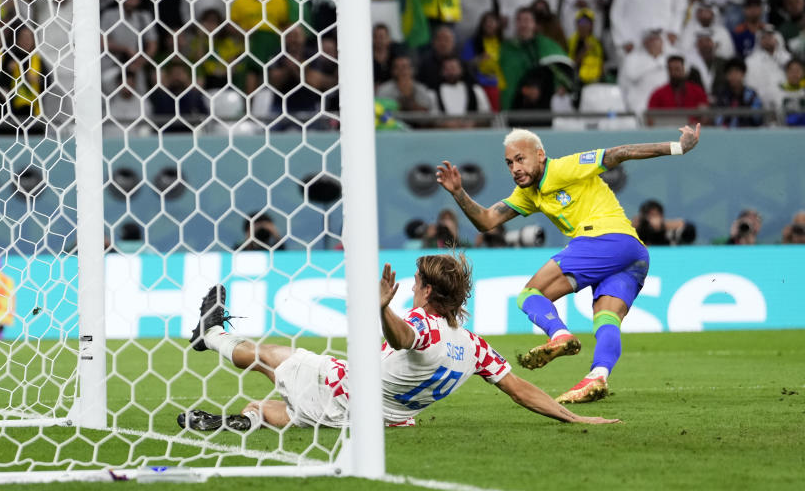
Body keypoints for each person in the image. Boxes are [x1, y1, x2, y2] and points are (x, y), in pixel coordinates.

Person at [179, 257, 620, 430]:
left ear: (427, 292)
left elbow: (406, 337)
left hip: (345, 388)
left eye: (416, 284)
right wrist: (573, 418)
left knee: (272, 357)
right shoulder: (474, 347)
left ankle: (211, 333)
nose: (412, 288)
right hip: (381, 421)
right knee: (286, 409)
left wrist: (381, 309)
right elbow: (519, 388)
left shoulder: (418, 324)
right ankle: (246, 421)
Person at [435, 124, 701, 402]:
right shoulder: (528, 194)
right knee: (606, 319)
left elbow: (620, 153)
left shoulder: (565, 167)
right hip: (634, 253)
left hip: (604, 239)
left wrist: (678, 147)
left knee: (530, 294)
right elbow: (487, 221)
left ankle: (560, 334)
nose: (514, 168)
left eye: (520, 159)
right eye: (509, 163)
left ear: (540, 155)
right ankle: (597, 376)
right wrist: (458, 193)